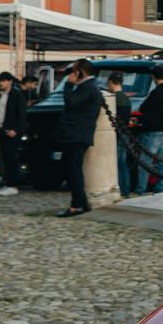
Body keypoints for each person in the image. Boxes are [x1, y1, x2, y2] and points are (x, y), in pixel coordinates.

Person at [56, 58, 102, 217]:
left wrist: (68, 85)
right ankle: (82, 202)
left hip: (76, 135)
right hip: (77, 134)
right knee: (72, 169)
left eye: (75, 71)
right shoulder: (90, 87)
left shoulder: (87, 88)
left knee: (73, 170)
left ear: (80, 72)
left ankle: (77, 205)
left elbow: (71, 103)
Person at [135, 66, 163, 195]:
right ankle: (159, 186)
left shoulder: (157, 92)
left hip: (153, 129)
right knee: (161, 161)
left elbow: (144, 108)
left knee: (145, 161)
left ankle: (141, 189)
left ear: (153, 77)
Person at [0, 72, 27, 197]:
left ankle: (12, 185)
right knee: (5, 159)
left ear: (10, 81)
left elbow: (22, 114)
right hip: (2, 130)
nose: (1, 83)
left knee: (11, 159)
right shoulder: (1, 95)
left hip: (11, 132)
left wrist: (16, 130)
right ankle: (8, 183)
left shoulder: (16, 95)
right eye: (0, 81)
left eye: (4, 81)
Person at [106, 74, 133, 198]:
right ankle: (126, 189)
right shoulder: (126, 98)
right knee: (123, 163)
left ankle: (122, 189)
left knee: (119, 163)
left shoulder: (114, 98)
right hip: (125, 132)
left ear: (112, 82)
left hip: (118, 134)